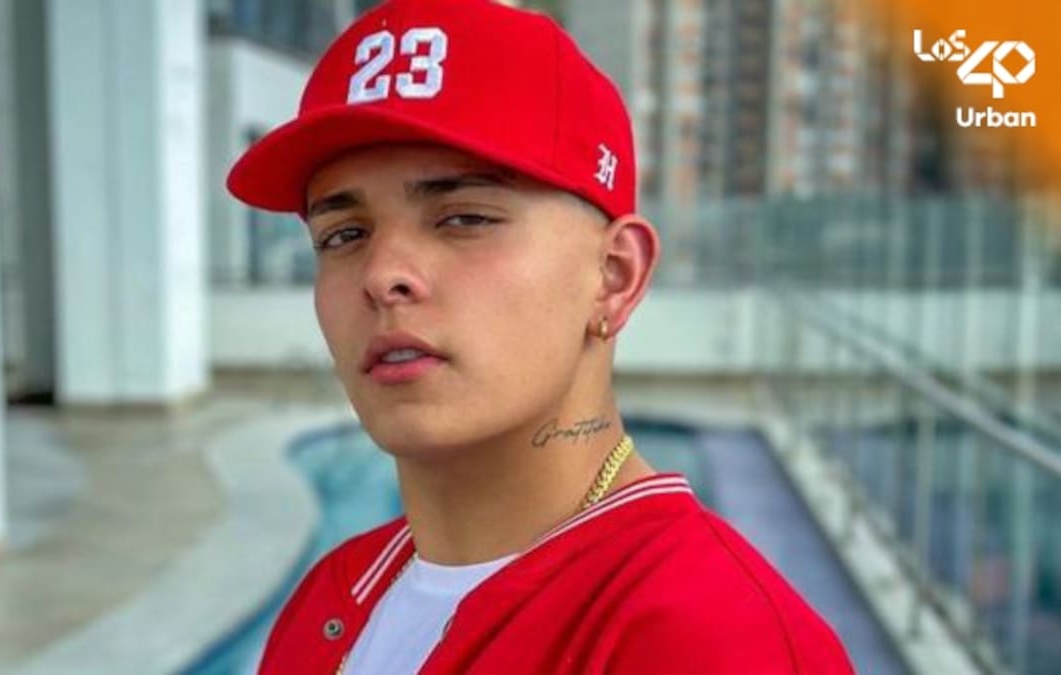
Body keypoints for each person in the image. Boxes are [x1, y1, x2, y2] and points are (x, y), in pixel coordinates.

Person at [226, 0, 855, 672]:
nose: (382, 276)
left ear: (614, 275)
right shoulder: (334, 592)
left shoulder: (717, 640)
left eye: (464, 218)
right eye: (343, 235)